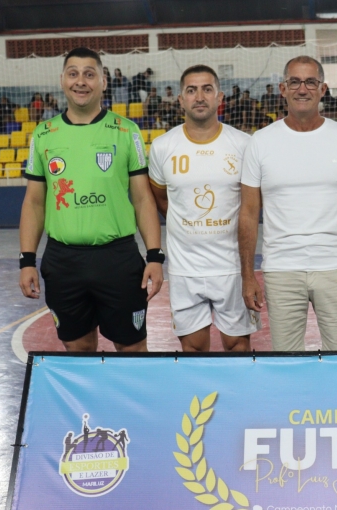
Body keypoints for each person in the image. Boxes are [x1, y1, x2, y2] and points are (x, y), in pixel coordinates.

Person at [18, 47, 164, 353]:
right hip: (63, 262)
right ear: (62, 80)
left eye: (89, 74)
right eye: (73, 73)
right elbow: (34, 203)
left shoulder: (127, 130)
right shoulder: (44, 134)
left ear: (103, 81)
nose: (80, 81)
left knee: (133, 350)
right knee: (78, 350)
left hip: (118, 259)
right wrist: (27, 261)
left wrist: (154, 256)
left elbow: (142, 198)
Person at [239, 55, 337, 351]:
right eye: (295, 82)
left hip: (336, 269)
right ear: (282, 89)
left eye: (311, 82)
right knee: (287, 365)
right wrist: (248, 275)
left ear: (323, 89)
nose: (303, 89)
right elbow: (249, 213)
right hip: (280, 270)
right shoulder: (260, 142)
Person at [149, 65, 258, 352]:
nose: (200, 96)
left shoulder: (244, 144)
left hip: (232, 267)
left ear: (219, 97)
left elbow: (251, 206)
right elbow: (161, 199)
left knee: (238, 349)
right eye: (191, 90)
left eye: (207, 89)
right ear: (181, 99)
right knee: (194, 351)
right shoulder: (162, 147)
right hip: (186, 269)